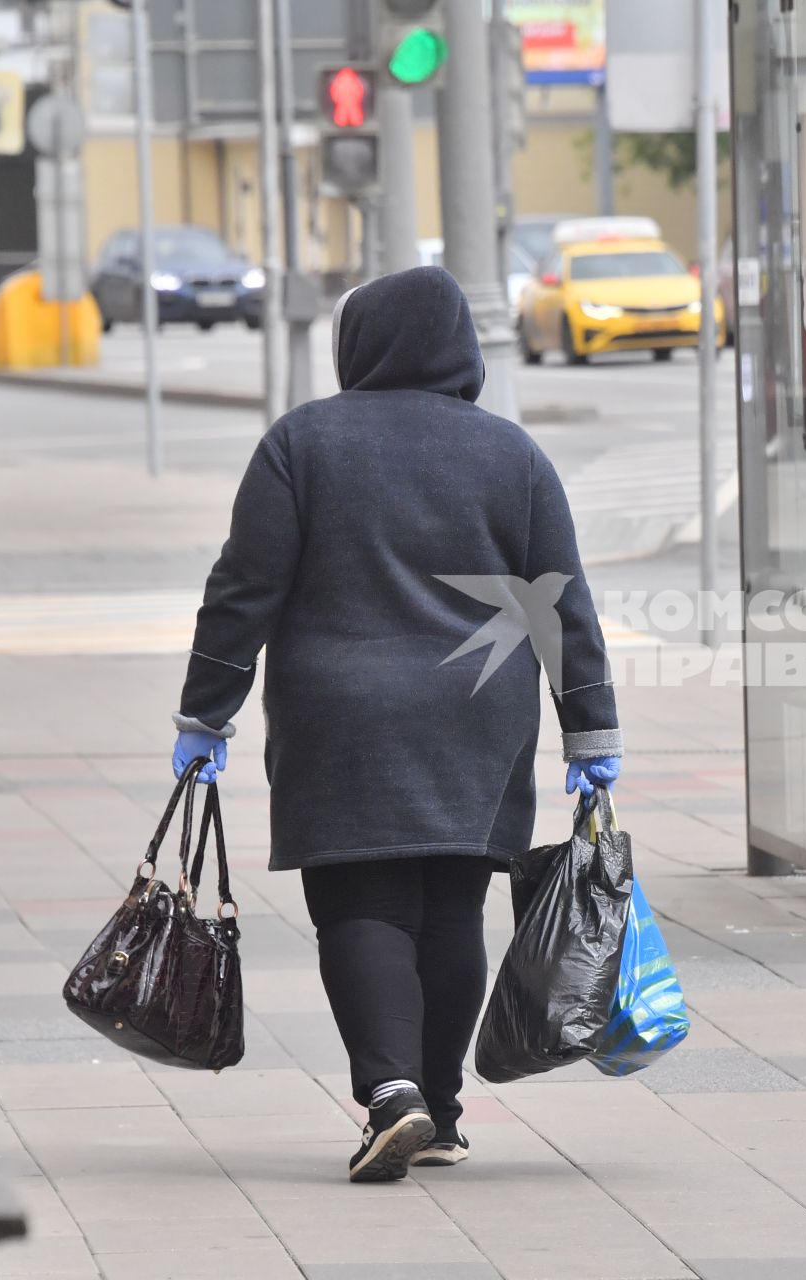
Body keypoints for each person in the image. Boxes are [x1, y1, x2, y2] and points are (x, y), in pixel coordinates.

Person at [168, 267, 623, 1182]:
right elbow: (559, 606)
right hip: (477, 715)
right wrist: (592, 734)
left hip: (340, 716)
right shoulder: (513, 456)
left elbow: (243, 590)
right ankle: (442, 1110)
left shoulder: (303, 443)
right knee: (452, 903)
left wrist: (204, 714)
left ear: (358, 344)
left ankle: (392, 1095)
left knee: (360, 900)